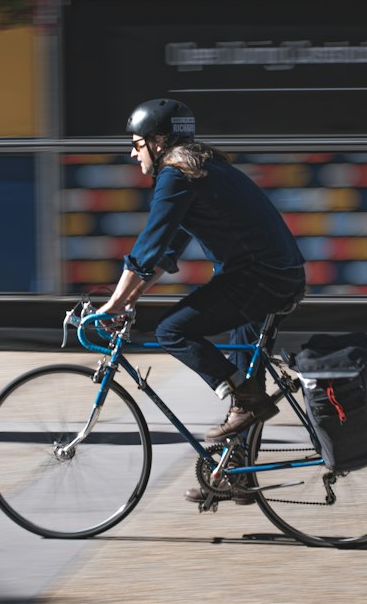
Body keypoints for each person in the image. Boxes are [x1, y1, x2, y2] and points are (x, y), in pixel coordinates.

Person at [98, 100, 305, 500]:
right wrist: (128, 299)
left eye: (137, 143)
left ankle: (244, 405)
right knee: (247, 378)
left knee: (172, 330)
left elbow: (149, 245)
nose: (132, 152)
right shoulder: (201, 170)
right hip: (274, 276)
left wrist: (114, 304)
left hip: (260, 279)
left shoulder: (177, 176)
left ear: (158, 143)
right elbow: (165, 250)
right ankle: (238, 476)